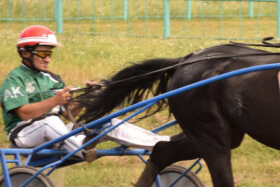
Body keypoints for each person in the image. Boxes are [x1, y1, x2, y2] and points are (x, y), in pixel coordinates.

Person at [0, 25, 170, 161]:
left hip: (56, 135)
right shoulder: (14, 79)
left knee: (106, 123)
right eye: (43, 53)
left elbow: (68, 114)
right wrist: (55, 101)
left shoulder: (52, 79)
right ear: (25, 52)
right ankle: (79, 149)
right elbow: (23, 113)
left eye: (50, 53)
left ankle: (162, 144)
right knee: (49, 121)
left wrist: (87, 96)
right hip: (24, 136)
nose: (48, 59)